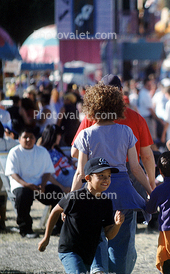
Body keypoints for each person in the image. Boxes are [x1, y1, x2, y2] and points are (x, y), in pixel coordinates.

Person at [72, 83, 153, 274]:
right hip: (124, 193)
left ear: (91, 107)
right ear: (117, 106)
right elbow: (135, 167)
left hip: (95, 192)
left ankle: (98, 268)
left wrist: (71, 200)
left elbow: (80, 173)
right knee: (121, 243)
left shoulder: (86, 134)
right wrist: (151, 191)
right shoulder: (126, 132)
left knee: (96, 234)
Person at [38, 157, 125, 274]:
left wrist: (117, 225)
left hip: (88, 253)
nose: (106, 179)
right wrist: (46, 238)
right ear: (88, 178)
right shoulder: (75, 197)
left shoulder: (106, 202)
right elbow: (55, 211)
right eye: (101, 175)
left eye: (109, 176)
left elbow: (109, 234)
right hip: (70, 250)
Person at [71, 74, 156, 192]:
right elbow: (146, 156)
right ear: (121, 91)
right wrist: (151, 182)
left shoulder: (90, 117)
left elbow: (75, 152)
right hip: (128, 174)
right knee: (137, 208)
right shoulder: (136, 118)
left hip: (97, 174)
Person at [5, 127, 67, 238]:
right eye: (25, 137)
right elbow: (13, 173)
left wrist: (43, 185)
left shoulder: (42, 151)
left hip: (40, 186)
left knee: (57, 193)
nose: (28, 139)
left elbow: (48, 171)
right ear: (19, 139)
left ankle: (58, 227)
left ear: (35, 139)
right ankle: (26, 229)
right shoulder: (14, 152)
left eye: (31, 137)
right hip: (22, 185)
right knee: (22, 196)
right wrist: (26, 184)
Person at [39, 124, 76, 189]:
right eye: (59, 135)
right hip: (65, 177)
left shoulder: (56, 149)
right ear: (53, 136)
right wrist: (62, 188)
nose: (60, 137)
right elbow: (47, 175)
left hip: (72, 173)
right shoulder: (43, 152)